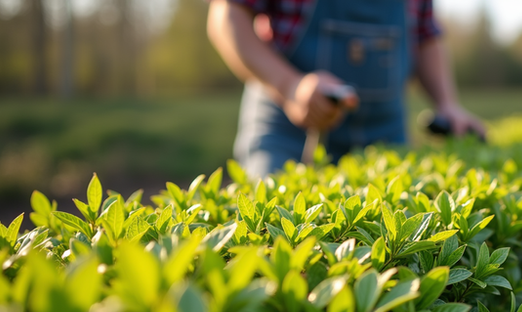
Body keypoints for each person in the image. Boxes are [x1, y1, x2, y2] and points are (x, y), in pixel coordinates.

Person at [207, 0, 486, 178]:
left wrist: (447, 103)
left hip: (385, 136)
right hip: (287, 132)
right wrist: (289, 86)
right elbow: (226, 15)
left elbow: (425, 34)